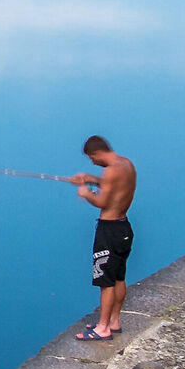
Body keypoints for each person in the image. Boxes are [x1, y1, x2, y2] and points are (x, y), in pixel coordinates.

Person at [68, 136, 136, 340]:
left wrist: (85, 192)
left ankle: (103, 328)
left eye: (91, 158)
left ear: (97, 153)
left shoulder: (110, 170)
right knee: (118, 277)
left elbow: (102, 202)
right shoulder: (126, 165)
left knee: (105, 280)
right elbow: (113, 185)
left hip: (109, 231)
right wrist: (92, 178)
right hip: (123, 228)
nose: (92, 162)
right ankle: (114, 321)